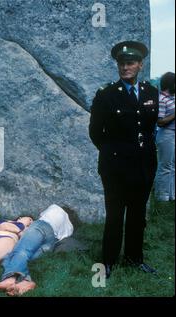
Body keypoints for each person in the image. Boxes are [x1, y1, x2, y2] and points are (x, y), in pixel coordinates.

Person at [89, 41, 159, 278]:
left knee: (138, 214)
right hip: (115, 166)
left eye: (130, 63)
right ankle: (108, 261)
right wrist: (113, 153)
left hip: (144, 165)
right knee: (115, 214)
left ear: (140, 65)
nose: (125, 67)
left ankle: (134, 258)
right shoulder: (106, 93)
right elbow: (96, 132)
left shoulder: (151, 92)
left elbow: (148, 129)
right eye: (121, 63)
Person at [0, 204, 73, 296]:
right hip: (52, 241)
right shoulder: (70, 228)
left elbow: (41, 217)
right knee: (21, 257)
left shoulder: (54, 208)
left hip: (42, 226)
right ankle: (24, 282)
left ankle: (10, 279)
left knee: (21, 252)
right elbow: (63, 238)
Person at [154, 72, 175, 202]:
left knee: (173, 166)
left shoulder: (172, 97)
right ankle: (162, 197)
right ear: (170, 84)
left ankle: (171, 195)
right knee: (165, 166)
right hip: (166, 135)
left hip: (173, 134)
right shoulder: (161, 99)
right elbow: (160, 122)